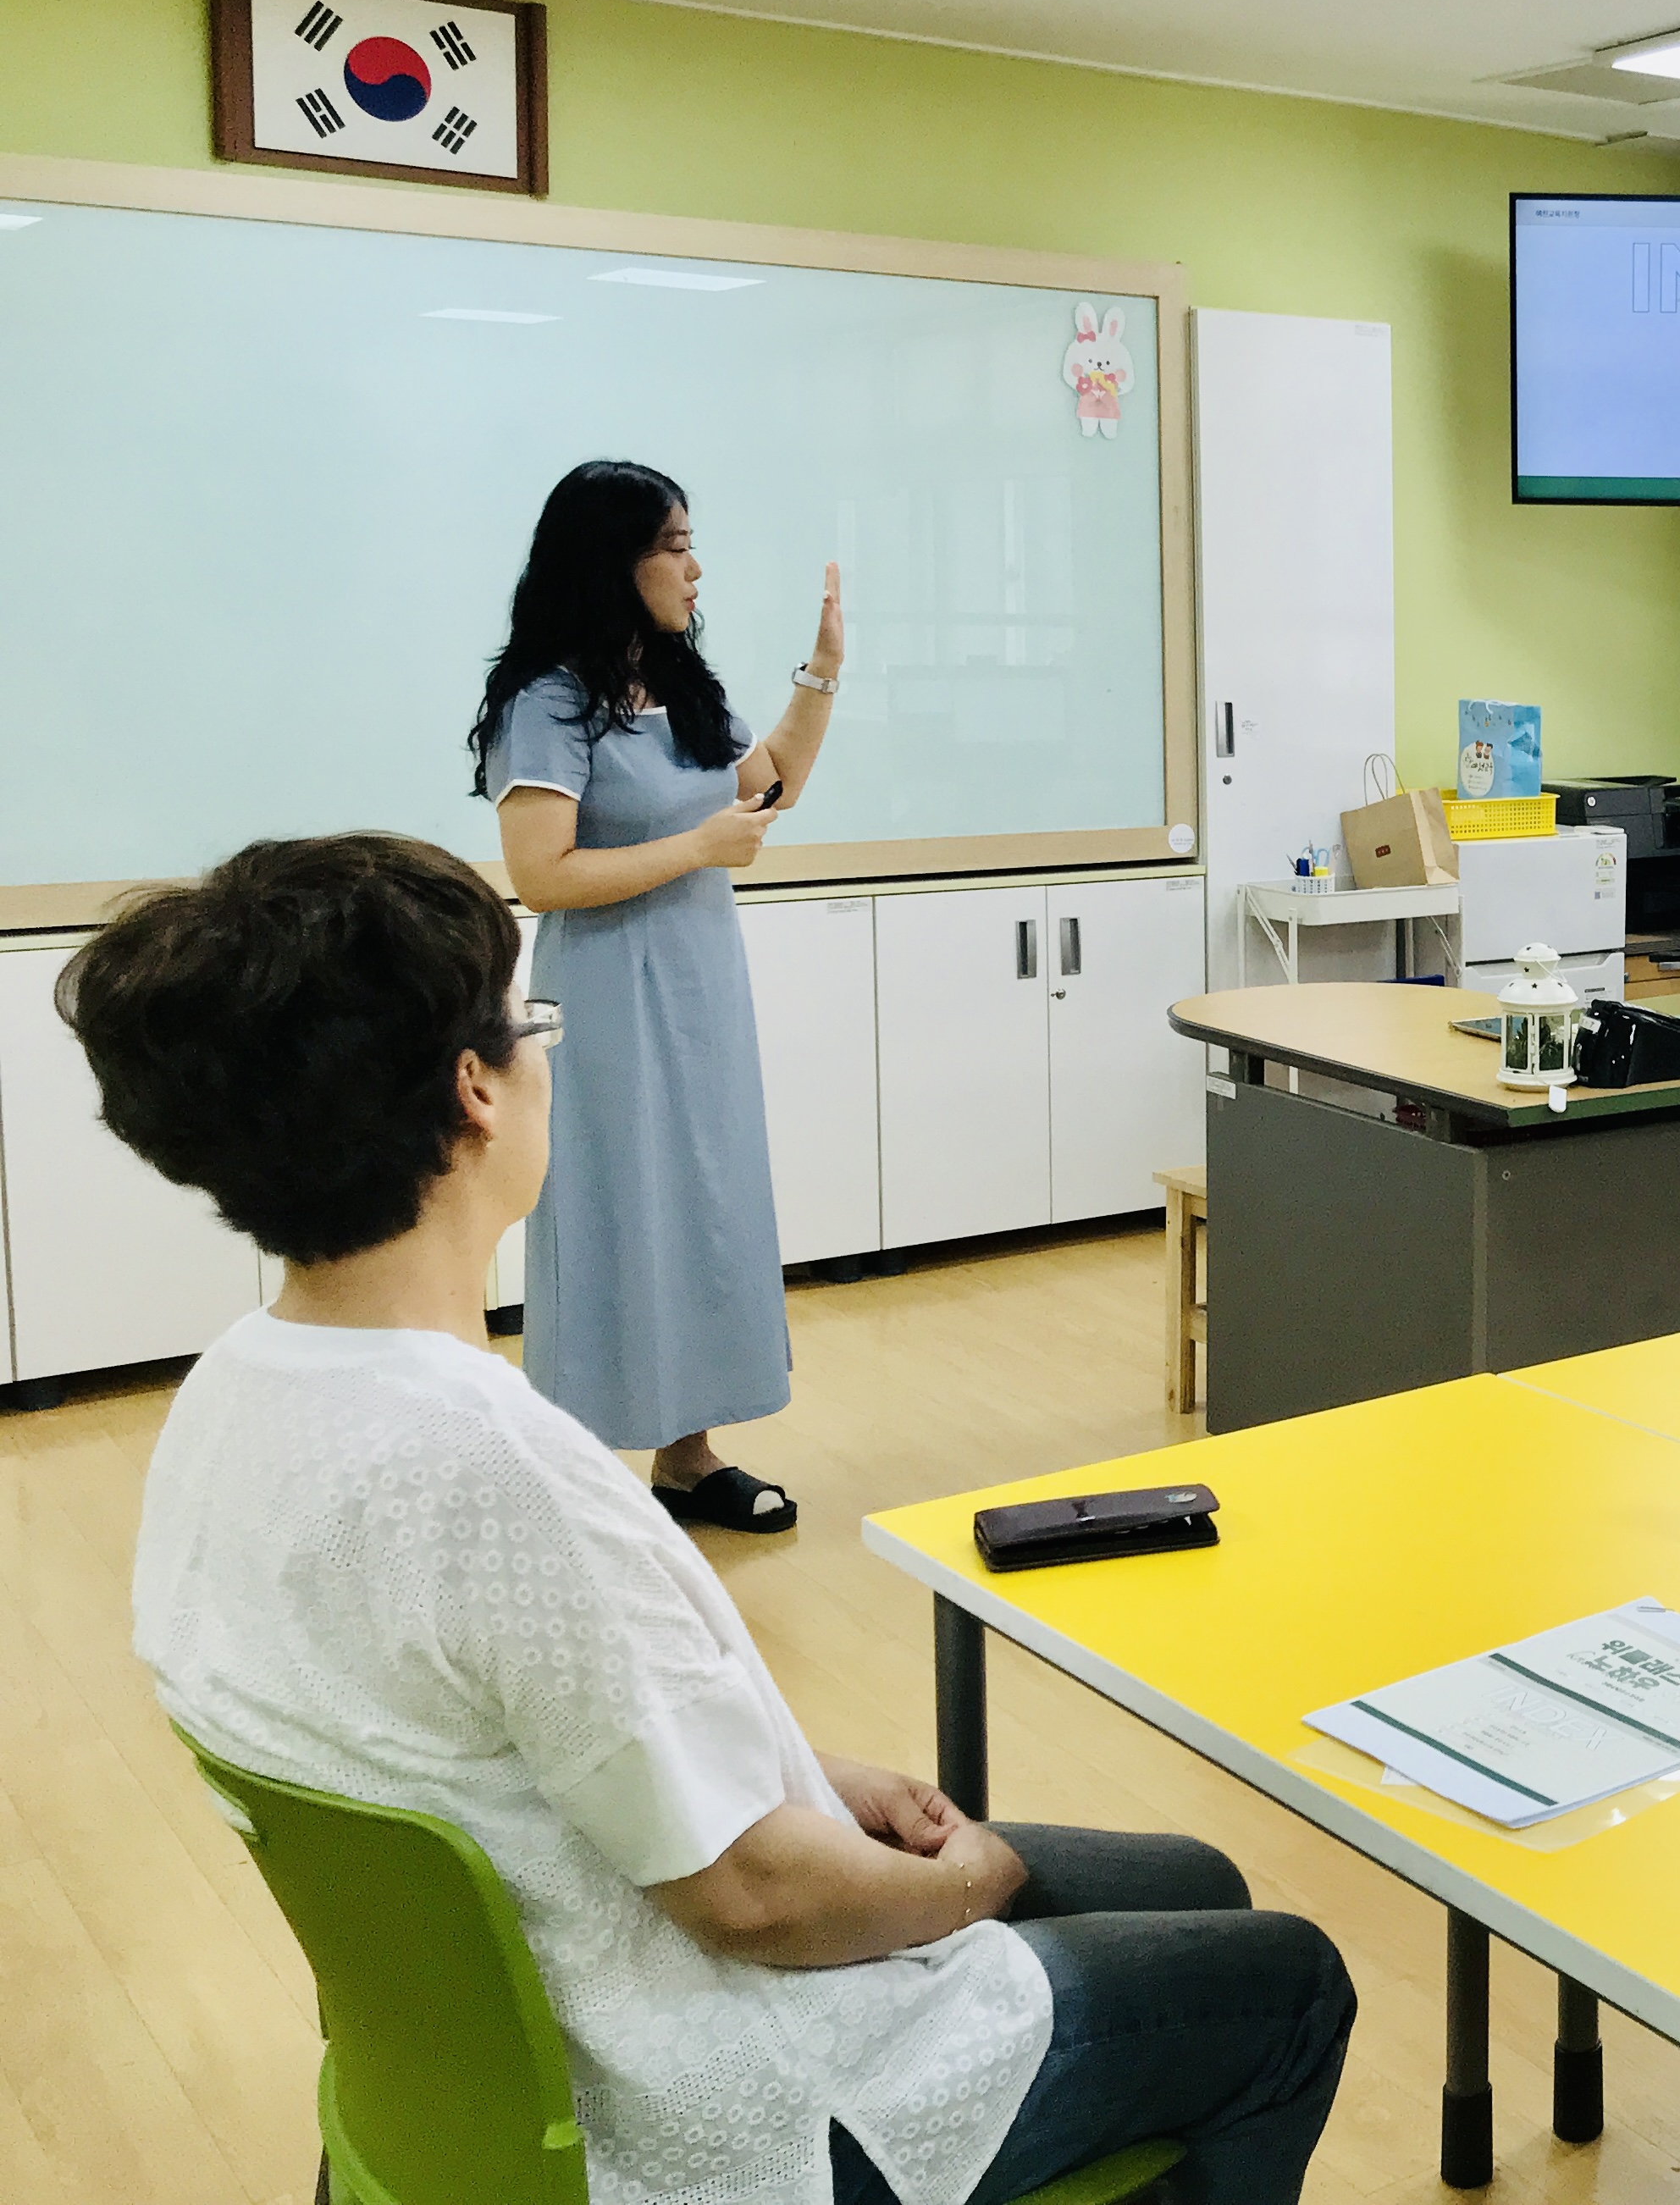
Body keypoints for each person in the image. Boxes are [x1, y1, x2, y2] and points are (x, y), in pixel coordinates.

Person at [95, 834, 1353, 2205]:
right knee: (1286, 1982)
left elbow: (520, 1715)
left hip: (508, 2049)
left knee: (1191, 1873)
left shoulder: (228, 1399)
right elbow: (759, 1899)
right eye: (533, 1023)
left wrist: (791, 1760)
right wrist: (963, 1882)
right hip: (717, 2092)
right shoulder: (499, 1468)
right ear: (473, 1093)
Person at [472, 458, 837, 1533]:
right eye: (675, 545)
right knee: (610, 1208)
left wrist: (820, 675)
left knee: (707, 1201)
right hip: (606, 995)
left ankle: (690, 1457)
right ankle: (578, 1470)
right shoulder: (546, 703)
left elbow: (760, 790)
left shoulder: (679, 686)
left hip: (700, 984)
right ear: (612, 559)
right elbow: (543, 876)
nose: (694, 566)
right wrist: (697, 847)